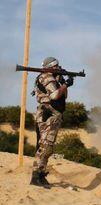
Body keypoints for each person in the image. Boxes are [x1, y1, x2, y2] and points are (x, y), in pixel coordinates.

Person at [30, 57, 73, 188]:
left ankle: (41, 174)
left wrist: (61, 82)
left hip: (52, 116)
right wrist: (66, 84)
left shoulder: (53, 78)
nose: (59, 68)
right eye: (57, 66)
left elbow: (63, 96)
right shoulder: (46, 77)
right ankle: (36, 175)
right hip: (48, 115)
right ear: (52, 66)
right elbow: (54, 96)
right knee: (45, 146)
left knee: (48, 147)